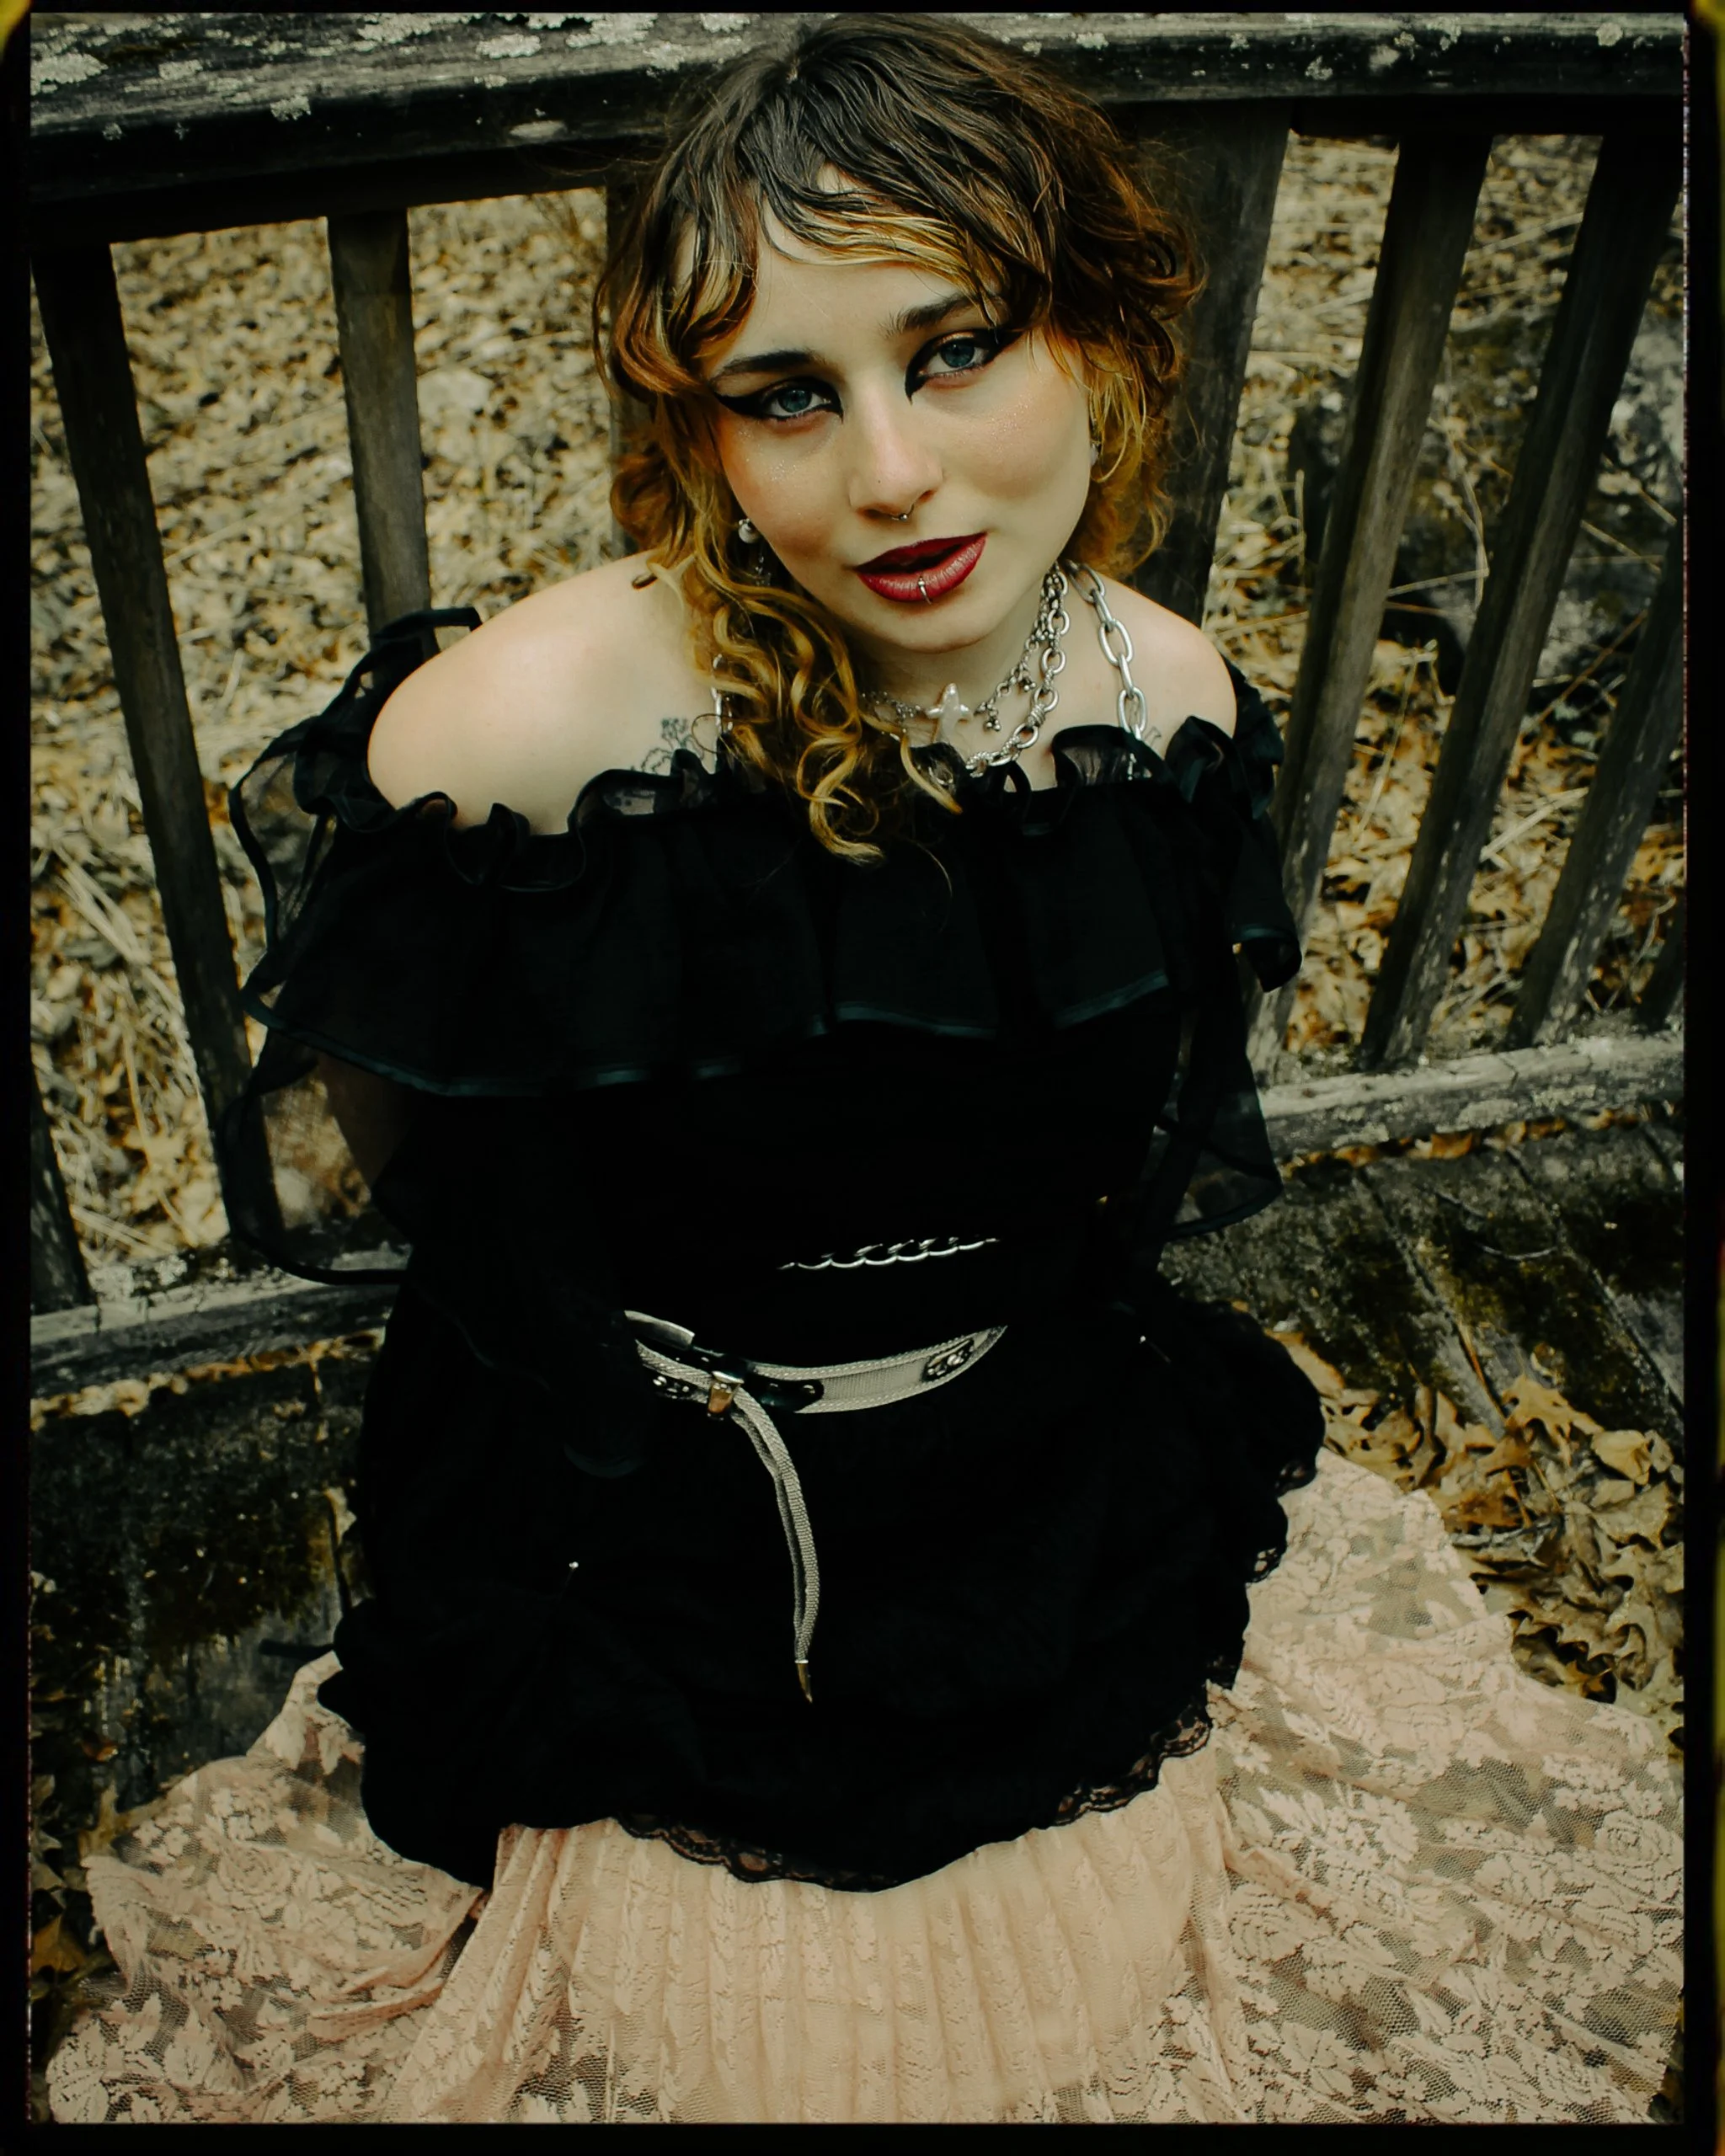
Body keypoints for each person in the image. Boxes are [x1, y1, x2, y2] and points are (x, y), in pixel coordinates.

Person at [50, 16, 1680, 2127]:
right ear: (703, 432)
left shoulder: (1164, 704)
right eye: (788, 394)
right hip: (658, 1514)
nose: (892, 474)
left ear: (1097, 337)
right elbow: (439, 1181)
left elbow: (1112, 1172)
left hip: (1022, 1470)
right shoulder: (523, 744)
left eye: (956, 348)